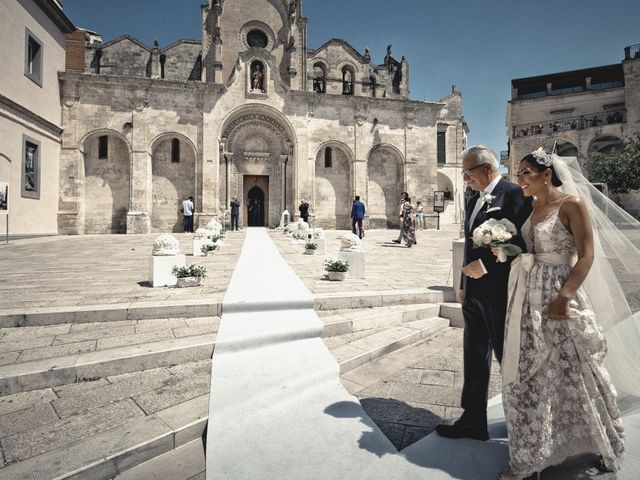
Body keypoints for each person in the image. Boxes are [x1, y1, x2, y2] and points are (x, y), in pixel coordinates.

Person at [497, 150, 626, 479]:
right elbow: (532, 250)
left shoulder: (572, 205)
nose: (520, 179)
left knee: (576, 369)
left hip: (559, 291)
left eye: (526, 172)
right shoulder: (534, 207)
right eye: (518, 173)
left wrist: (564, 297)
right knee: (532, 373)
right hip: (529, 296)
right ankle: (533, 453)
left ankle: (605, 443)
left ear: (546, 174)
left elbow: (586, 255)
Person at [435, 145, 532, 441]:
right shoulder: (473, 197)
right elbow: (469, 243)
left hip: (502, 292)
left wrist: (488, 266)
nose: (464, 178)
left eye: (468, 171)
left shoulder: (514, 194)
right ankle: (473, 421)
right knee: (474, 356)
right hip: (474, 293)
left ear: (488, 169)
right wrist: (464, 286)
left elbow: (524, 243)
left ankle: (523, 424)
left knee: (508, 357)